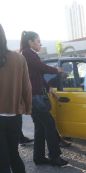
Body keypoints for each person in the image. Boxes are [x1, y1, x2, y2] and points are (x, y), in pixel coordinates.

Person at [20, 31, 68, 166]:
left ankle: (39, 157)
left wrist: (48, 88)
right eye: (38, 40)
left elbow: (37, 76)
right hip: (35, 97)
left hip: (35, 96)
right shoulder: (27, 54)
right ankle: (54, 157)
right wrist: (56, 70)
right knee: (49, 125)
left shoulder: (29, 54)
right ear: (30, 42)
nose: (40, 43)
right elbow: (41, 68)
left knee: (40, 127)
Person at [0, 24, 31, 173]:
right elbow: (27, 87)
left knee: (2, 164)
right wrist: (27, 108)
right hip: (14, 117)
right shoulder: (19, 58)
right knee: (14, 157)